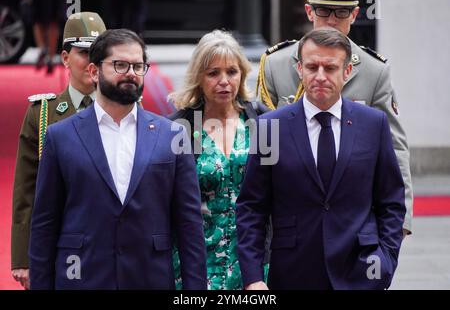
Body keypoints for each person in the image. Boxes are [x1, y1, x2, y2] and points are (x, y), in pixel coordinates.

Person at [29, 28, 207, 289]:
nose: (131, 73)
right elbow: (44, 224)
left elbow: (190, 225)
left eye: (138, 66)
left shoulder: (173, 135)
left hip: (150, 277)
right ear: (94, 72)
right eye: (120, 65)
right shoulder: (61, 136)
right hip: (83, 277)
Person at [237, 28, 406, 290]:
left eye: (330, 68)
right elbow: (252, 208)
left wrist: (386, 261)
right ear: (299, 69)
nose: (320, 76)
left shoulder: (373, 124)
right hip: (292, 272)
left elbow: (391, 201)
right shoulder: (270, 128)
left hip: (361, 273)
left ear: (347, 72)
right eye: (312, 66)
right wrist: (253, 278)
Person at [256, 0, 413, 236]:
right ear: (309, 11)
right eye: (323, 11)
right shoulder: (276, 64)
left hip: (353, 213)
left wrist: (401, 222)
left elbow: (395, 148)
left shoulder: (374, 70)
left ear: (355, 15)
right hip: (291, 212)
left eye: (341, 12)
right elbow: (263, 147)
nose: (331, 20)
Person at [11, 11, 106, 290]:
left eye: (99, 54)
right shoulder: (43, 114)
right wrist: (22, 257)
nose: (93, 63)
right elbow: (26, 190)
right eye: (84, 53)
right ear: (65, 58)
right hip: (59, 246)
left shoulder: (124, 111)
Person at [168, 29, 269, 290]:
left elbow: (276, 197)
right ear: (199, 78)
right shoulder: (182, 127)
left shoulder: (262, 122)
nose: (224, 81)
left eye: (232, 72)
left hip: (254, 265)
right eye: (213, 73)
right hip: (197, 266)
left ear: (242, 74)